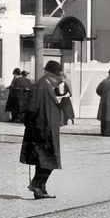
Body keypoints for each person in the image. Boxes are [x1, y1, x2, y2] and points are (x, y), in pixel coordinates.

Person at [20, 60, 67, 199]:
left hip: (47, 127)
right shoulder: (41, 86)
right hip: (41, 128)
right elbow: (31, 108)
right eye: (57, 77)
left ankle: (40, 188)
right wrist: (32, 127)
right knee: (48, 159)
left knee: (44, 158)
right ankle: (37, 184)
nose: (58, 80)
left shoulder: (47, 85)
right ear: (50, 75)